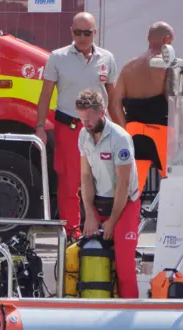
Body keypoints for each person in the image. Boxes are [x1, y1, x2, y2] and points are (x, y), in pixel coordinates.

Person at [36, 12, 119, 241]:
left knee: (104, 179)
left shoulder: (107, 58)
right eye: (78, 32)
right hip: (69, 127)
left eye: (87, 32)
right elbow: (45, 95)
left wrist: (123, 130)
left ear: (95, 33)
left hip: (101, 130)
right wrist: (40, 126)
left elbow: (113, 97)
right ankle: (73, 232)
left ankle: (103, 229)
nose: (82, 37)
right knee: (70, 182)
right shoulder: (57, 57)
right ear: (71, 31)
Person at [77, 89, 140, 299]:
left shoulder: (120, 138)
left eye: (88, 118)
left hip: (125, 203)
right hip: (99, 200)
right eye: (81, 118)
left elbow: (123, 183)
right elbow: (85, 176)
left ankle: (129, 312)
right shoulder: (83, 135)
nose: (85, 123)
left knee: (124, 266)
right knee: (87, 254)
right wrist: (89, 214)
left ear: (102, 112)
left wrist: (112, 221)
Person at [111, 21, 176, 195]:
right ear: (167, 39)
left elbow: (114, 102)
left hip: (133, 133)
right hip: (161, 132)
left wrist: (124, 127)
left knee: (132, 189)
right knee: (174, 183)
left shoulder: (128, 67)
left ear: (148, 38)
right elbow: (173, 98)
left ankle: (129, 221)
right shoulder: (165, 63)